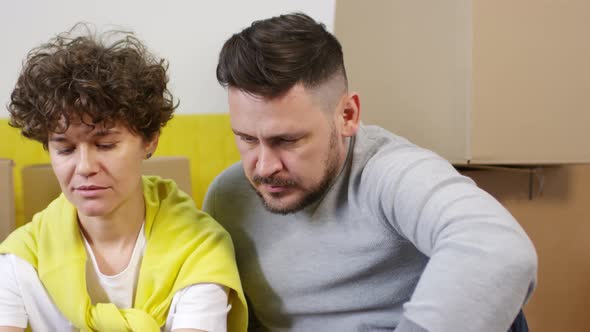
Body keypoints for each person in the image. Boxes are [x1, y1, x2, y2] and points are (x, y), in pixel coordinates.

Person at [204, 12, 537, 332]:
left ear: (347, 115)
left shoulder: (391, 173)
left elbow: (499, 251)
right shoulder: (228, 197)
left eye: (288, 140)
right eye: (247, 139)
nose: (263, 167)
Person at [0, 26, 247, 332]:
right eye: (65, 148)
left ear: (150, 140)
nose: (85, 167)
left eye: (105, 145)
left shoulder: (199, 249)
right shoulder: (22, 258)